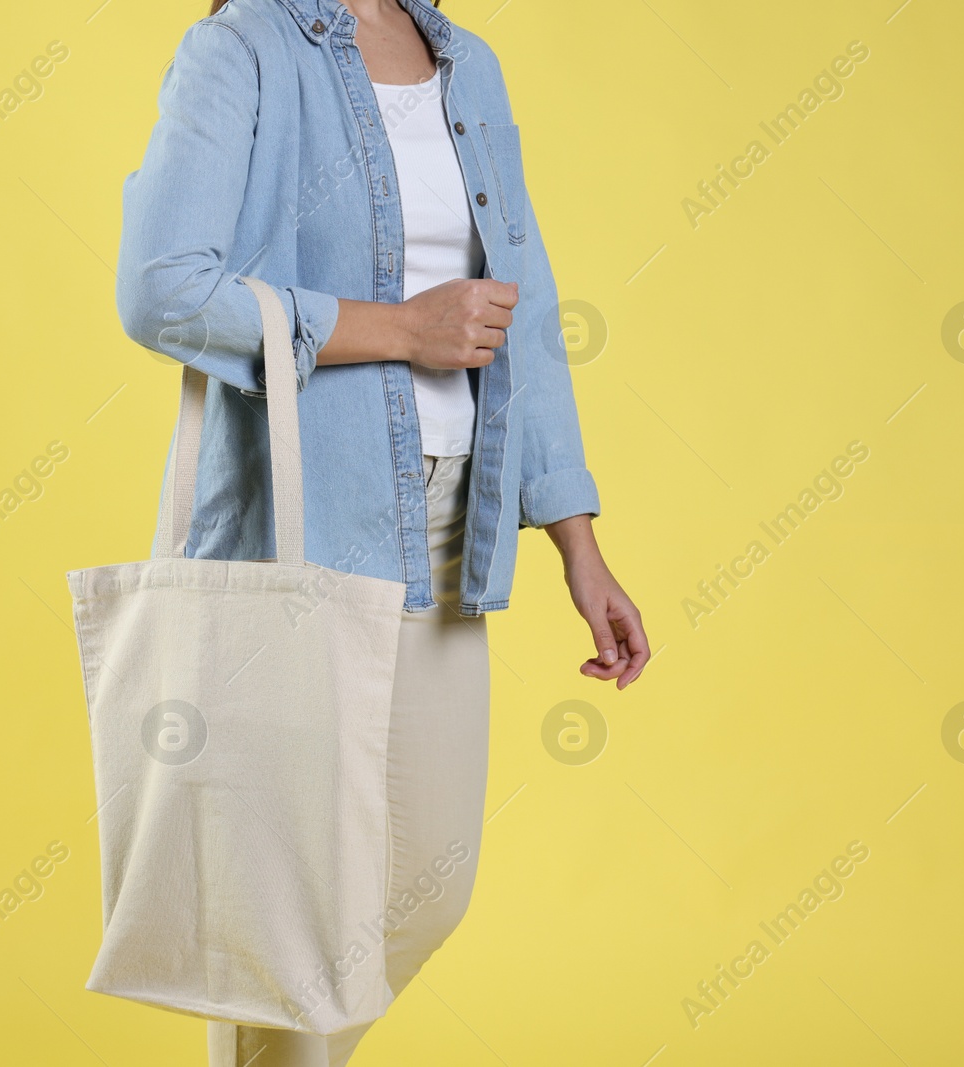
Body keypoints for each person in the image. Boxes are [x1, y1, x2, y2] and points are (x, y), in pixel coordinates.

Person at [115, 1, 649, 1062]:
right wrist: (400, 330)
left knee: (425, 882)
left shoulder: (468, 63)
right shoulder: (245, 49)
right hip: (308, 523)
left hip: (461, 520)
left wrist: (576, 540)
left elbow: (522, 313)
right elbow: (161, 287)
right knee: (297, 900)